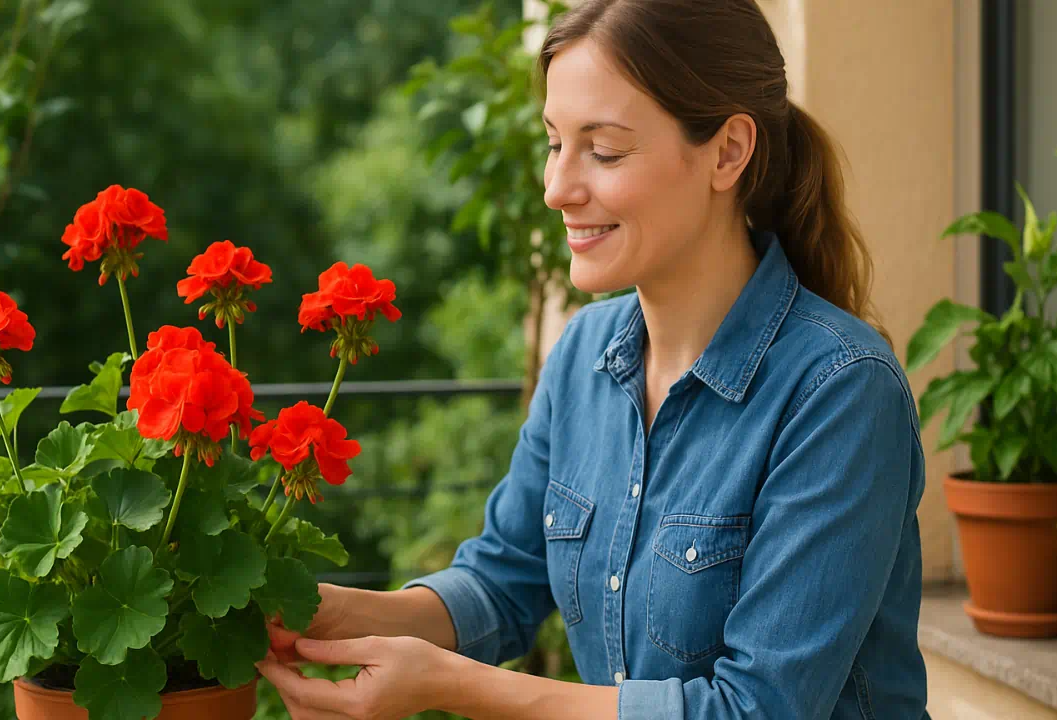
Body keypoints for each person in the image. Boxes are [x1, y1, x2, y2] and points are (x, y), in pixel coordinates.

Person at [255, 0, 932, 717]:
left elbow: (757, 708)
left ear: (728, 152)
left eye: (603, 151)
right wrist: (334, 615)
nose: (558, 188)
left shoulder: (840, 392)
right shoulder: (584, 352)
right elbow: (502, 581)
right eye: (554, 143)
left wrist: (449, 684)